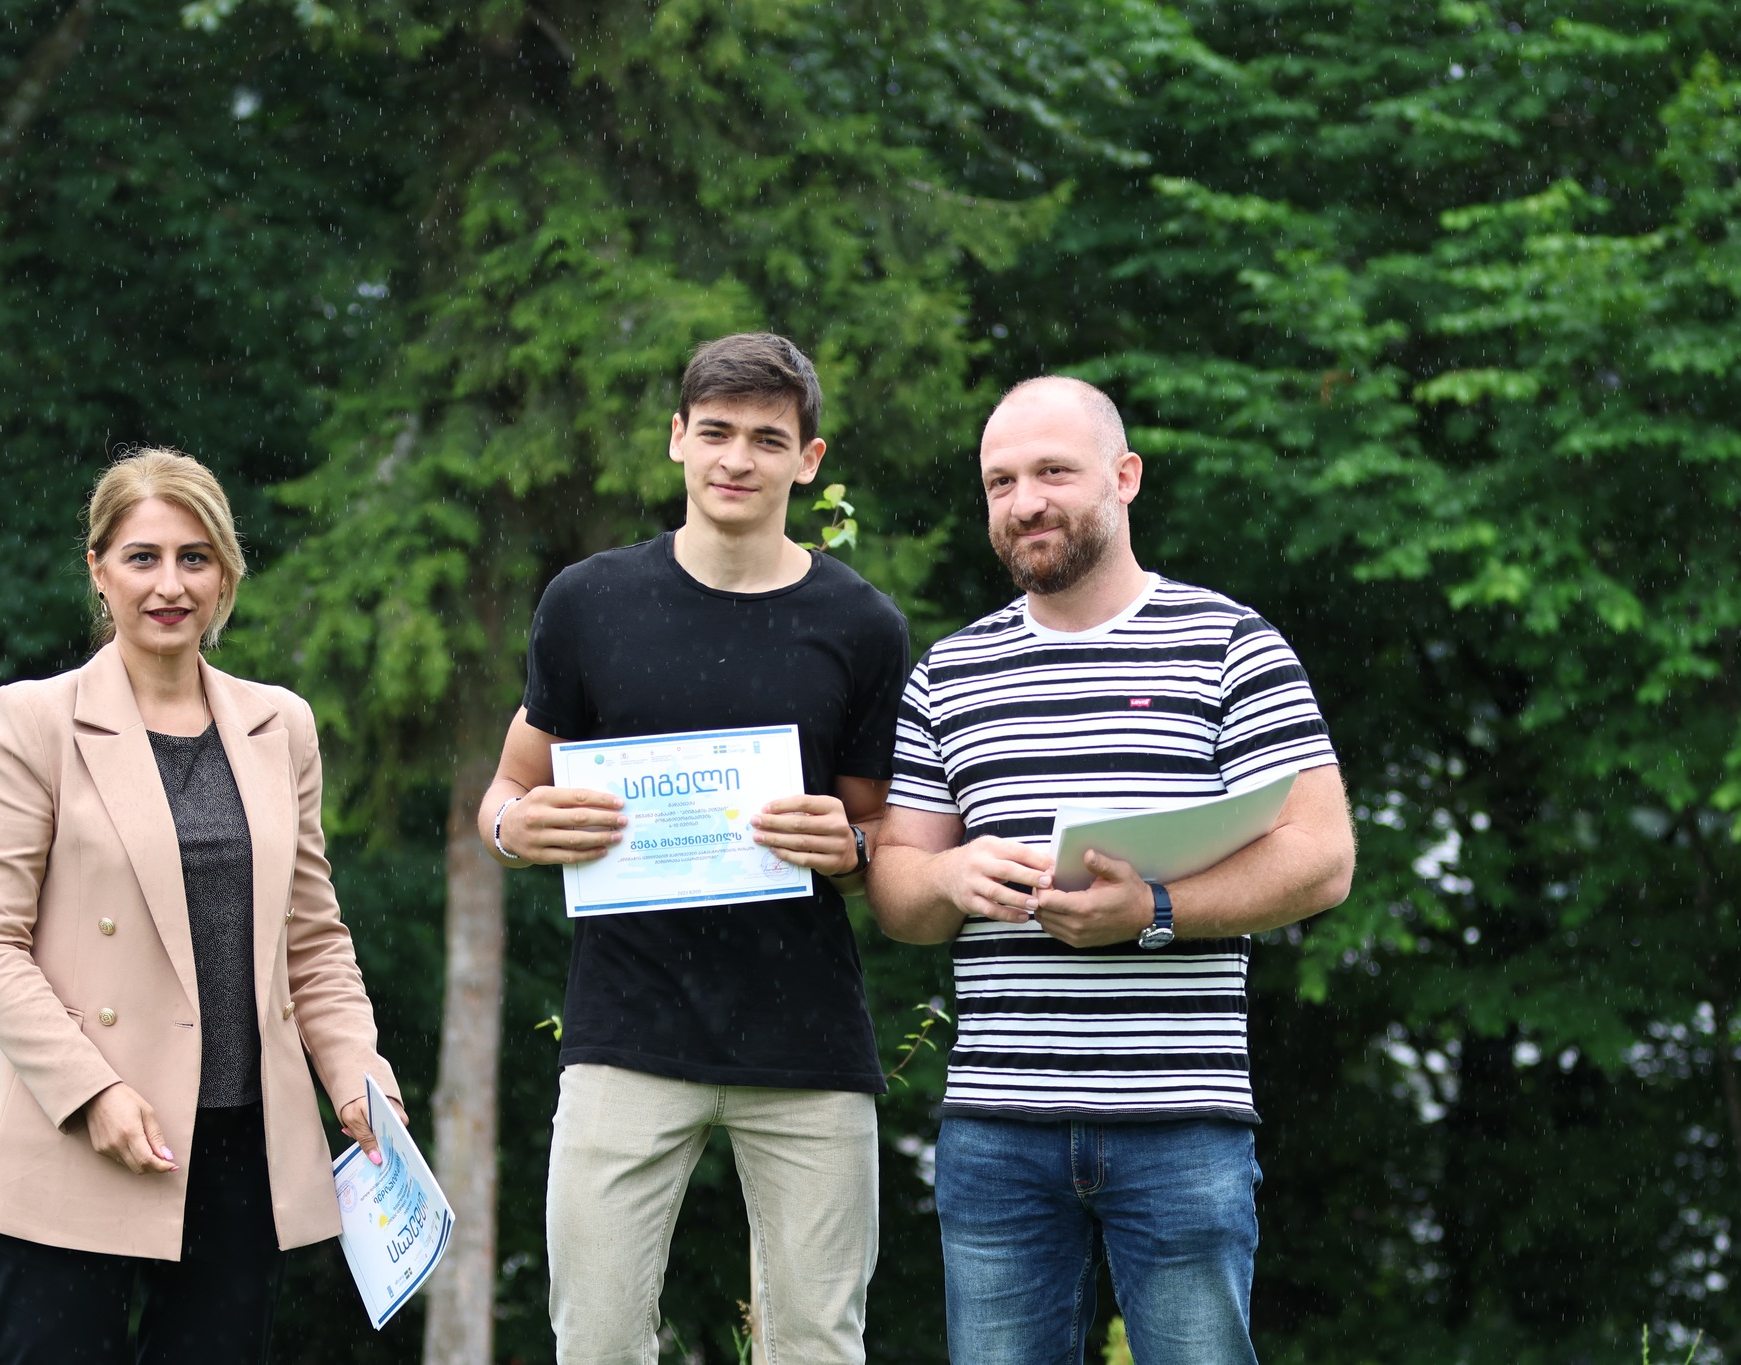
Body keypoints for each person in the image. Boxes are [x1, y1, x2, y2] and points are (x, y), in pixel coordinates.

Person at [867, 378, 1355, 1365]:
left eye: (1053, 472)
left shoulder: (1230, 644)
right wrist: (951, 877)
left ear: (1124, 477)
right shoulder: (947, 673)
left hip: (1180, 1121)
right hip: (996, 1125)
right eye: (1000, 482)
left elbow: (1322, 859)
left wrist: (1155, 909)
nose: (1025, 502)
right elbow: (897, 899)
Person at [476, 333, 911, 1363]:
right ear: (676, 438)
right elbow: (507, 789)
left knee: (817, 1344)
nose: (736, 459)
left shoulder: (862, 625)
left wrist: (849, 845)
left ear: (808, 460)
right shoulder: (587, 603)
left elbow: (888, 836)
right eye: (715, 432)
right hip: (624, 1028)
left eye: (767, 439)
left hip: (805, 1038)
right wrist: (511, 830)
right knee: (595, 1338)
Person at [0, 448, 407, 1365]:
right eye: (142, 558)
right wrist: (94, 1092)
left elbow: (313, 940)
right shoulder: (33, 720)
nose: (170, 584)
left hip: (243, 1150)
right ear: (98, 570)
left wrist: (361, 1073)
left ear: (226, 574)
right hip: (79, 1134)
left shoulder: (282, 724)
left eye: (195, 558)